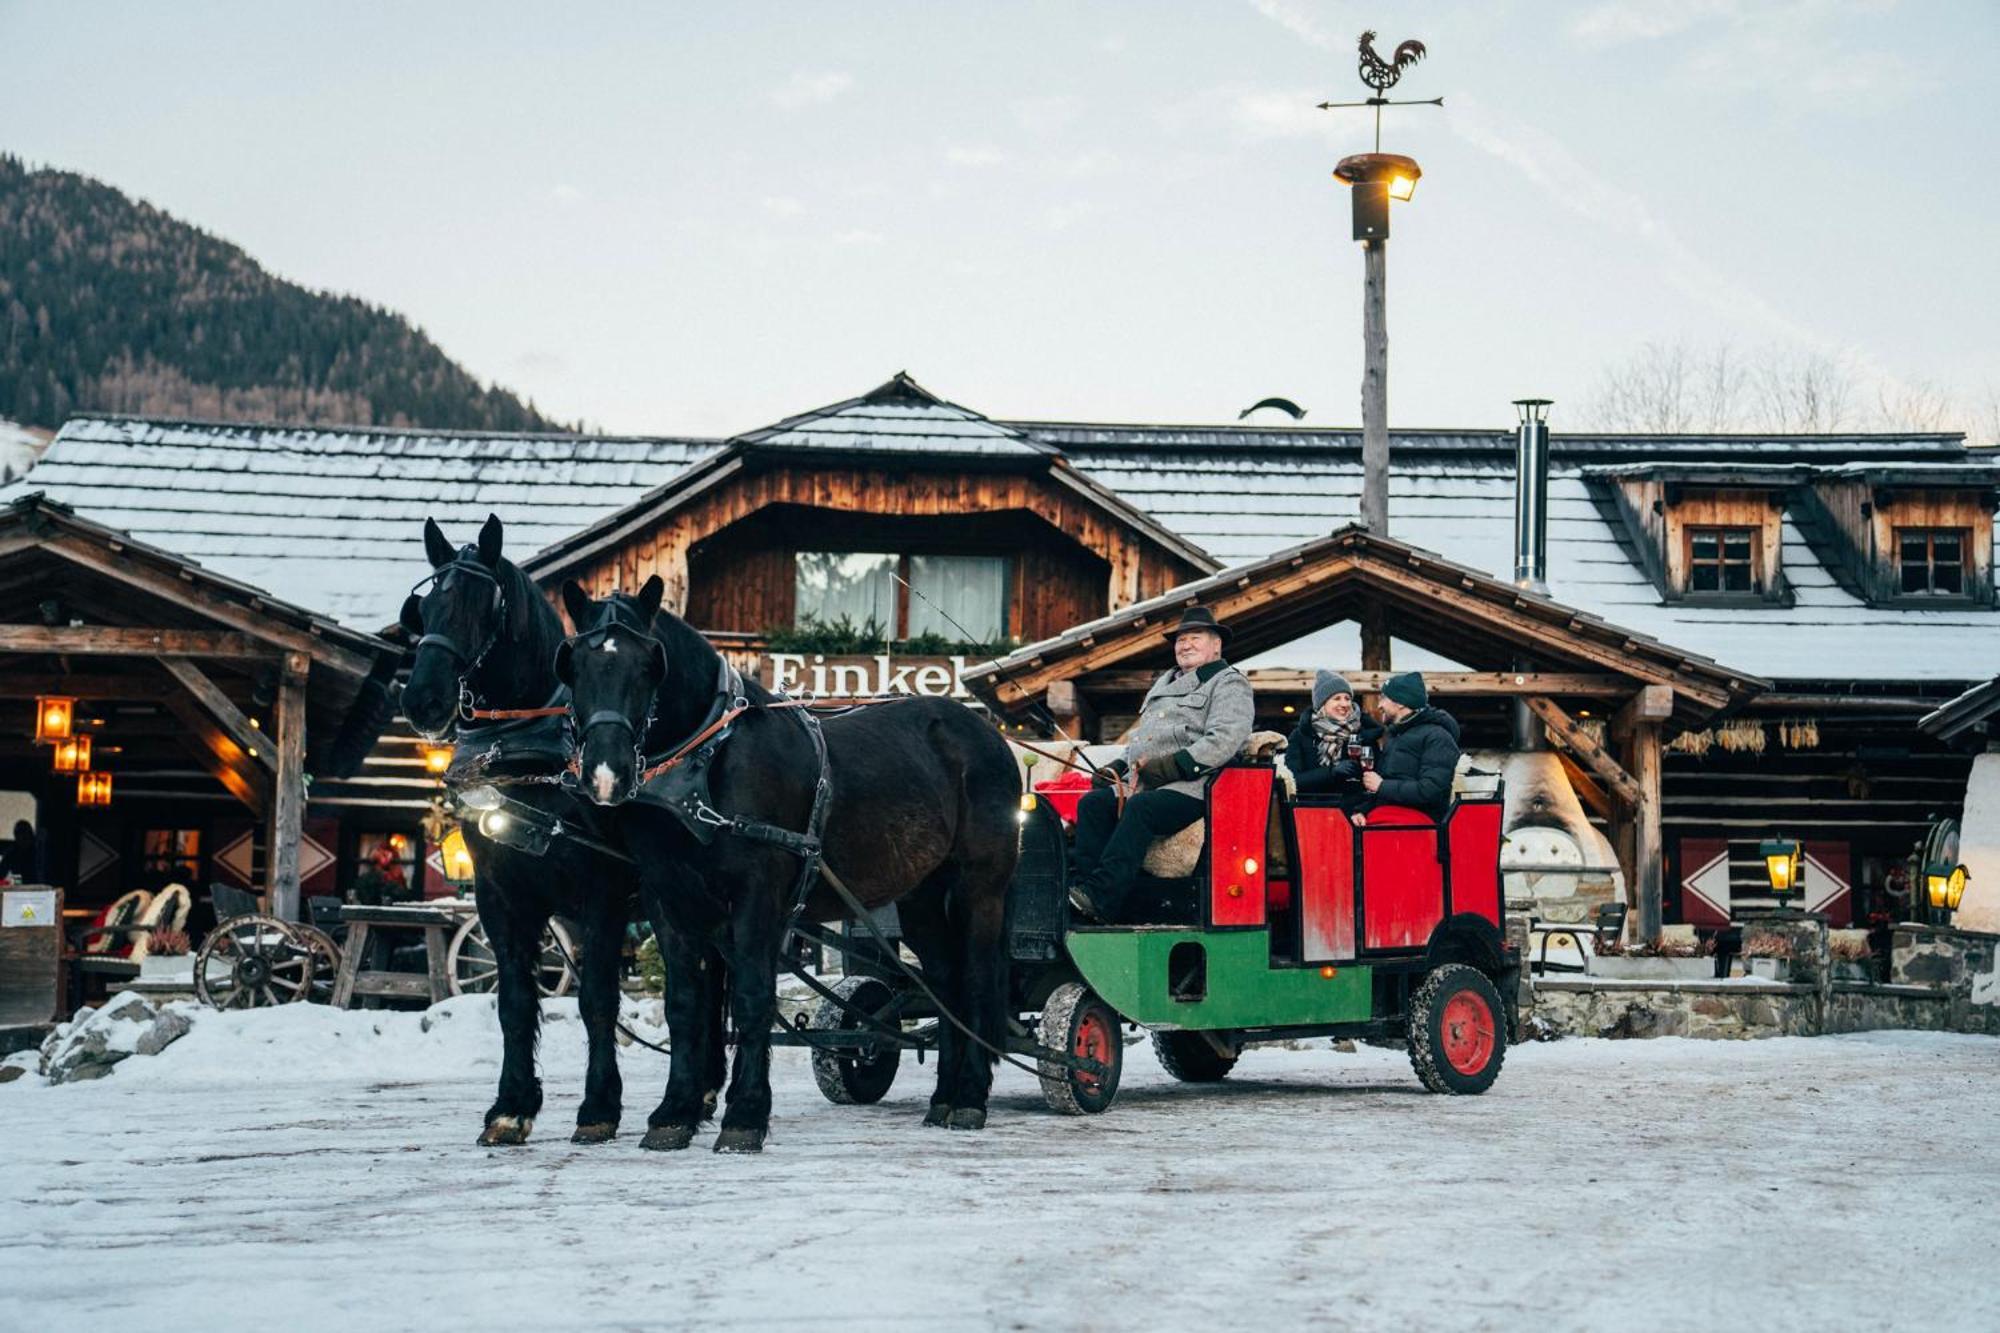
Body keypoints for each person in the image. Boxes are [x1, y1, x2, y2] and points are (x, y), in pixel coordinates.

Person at [1070, 607, 1254, 923]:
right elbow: (1146, 741)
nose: (1185, 645)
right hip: (1145, 782)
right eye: (1180, 640)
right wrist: (1117, 766)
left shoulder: (1228, 683)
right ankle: (1083, 894)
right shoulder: (1163, 685)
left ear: (1216, 645)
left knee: (1141, 808)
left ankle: (1102, 898)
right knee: (1093, 804)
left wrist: (1172, 767)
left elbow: (1226, 738)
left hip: (1195, 787)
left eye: (1194, 638)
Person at [1355, 671, 1461, 824]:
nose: (1379, 705)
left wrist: (1382, 786)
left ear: (1400, 703)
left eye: (1383, 698)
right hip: (1386, 817)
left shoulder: (1438, 737)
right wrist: (1362, 812)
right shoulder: (1394, 736)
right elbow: (1382, 788)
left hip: (1418, 824)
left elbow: (1431, 790)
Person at [1285, 670, 1382, 808]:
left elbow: (1376, 779)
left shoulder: (1364, 732)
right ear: (1322, 704)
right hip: (1312, 812)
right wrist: (1331, 772)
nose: (1344, 704)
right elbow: (1293, 780)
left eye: (1347, 698)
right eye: (1337, 698)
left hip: (1354, 814)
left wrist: (1361, 810)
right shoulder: (1301, 735)